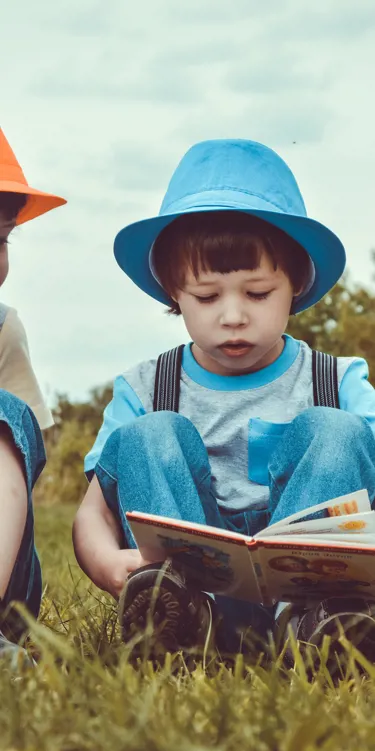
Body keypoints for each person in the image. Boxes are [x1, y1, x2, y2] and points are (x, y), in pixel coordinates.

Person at [73, 138, 375, 662]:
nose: (232, 316)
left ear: (296, 285)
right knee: (148, 434)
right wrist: (104, 562)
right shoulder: (145, 387)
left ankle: (314, 628)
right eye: (207, 297)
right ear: (174, 292)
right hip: (191, 592)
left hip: (311, 594)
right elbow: (92, 512)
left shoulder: (338, 379)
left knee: (338, 430)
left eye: (257, 294)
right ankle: (180, 623)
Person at [0, 128, 66, 663]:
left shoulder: (3, 328)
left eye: (0, 239)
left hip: (6, 585)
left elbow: (21, 444)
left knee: (4, 411)